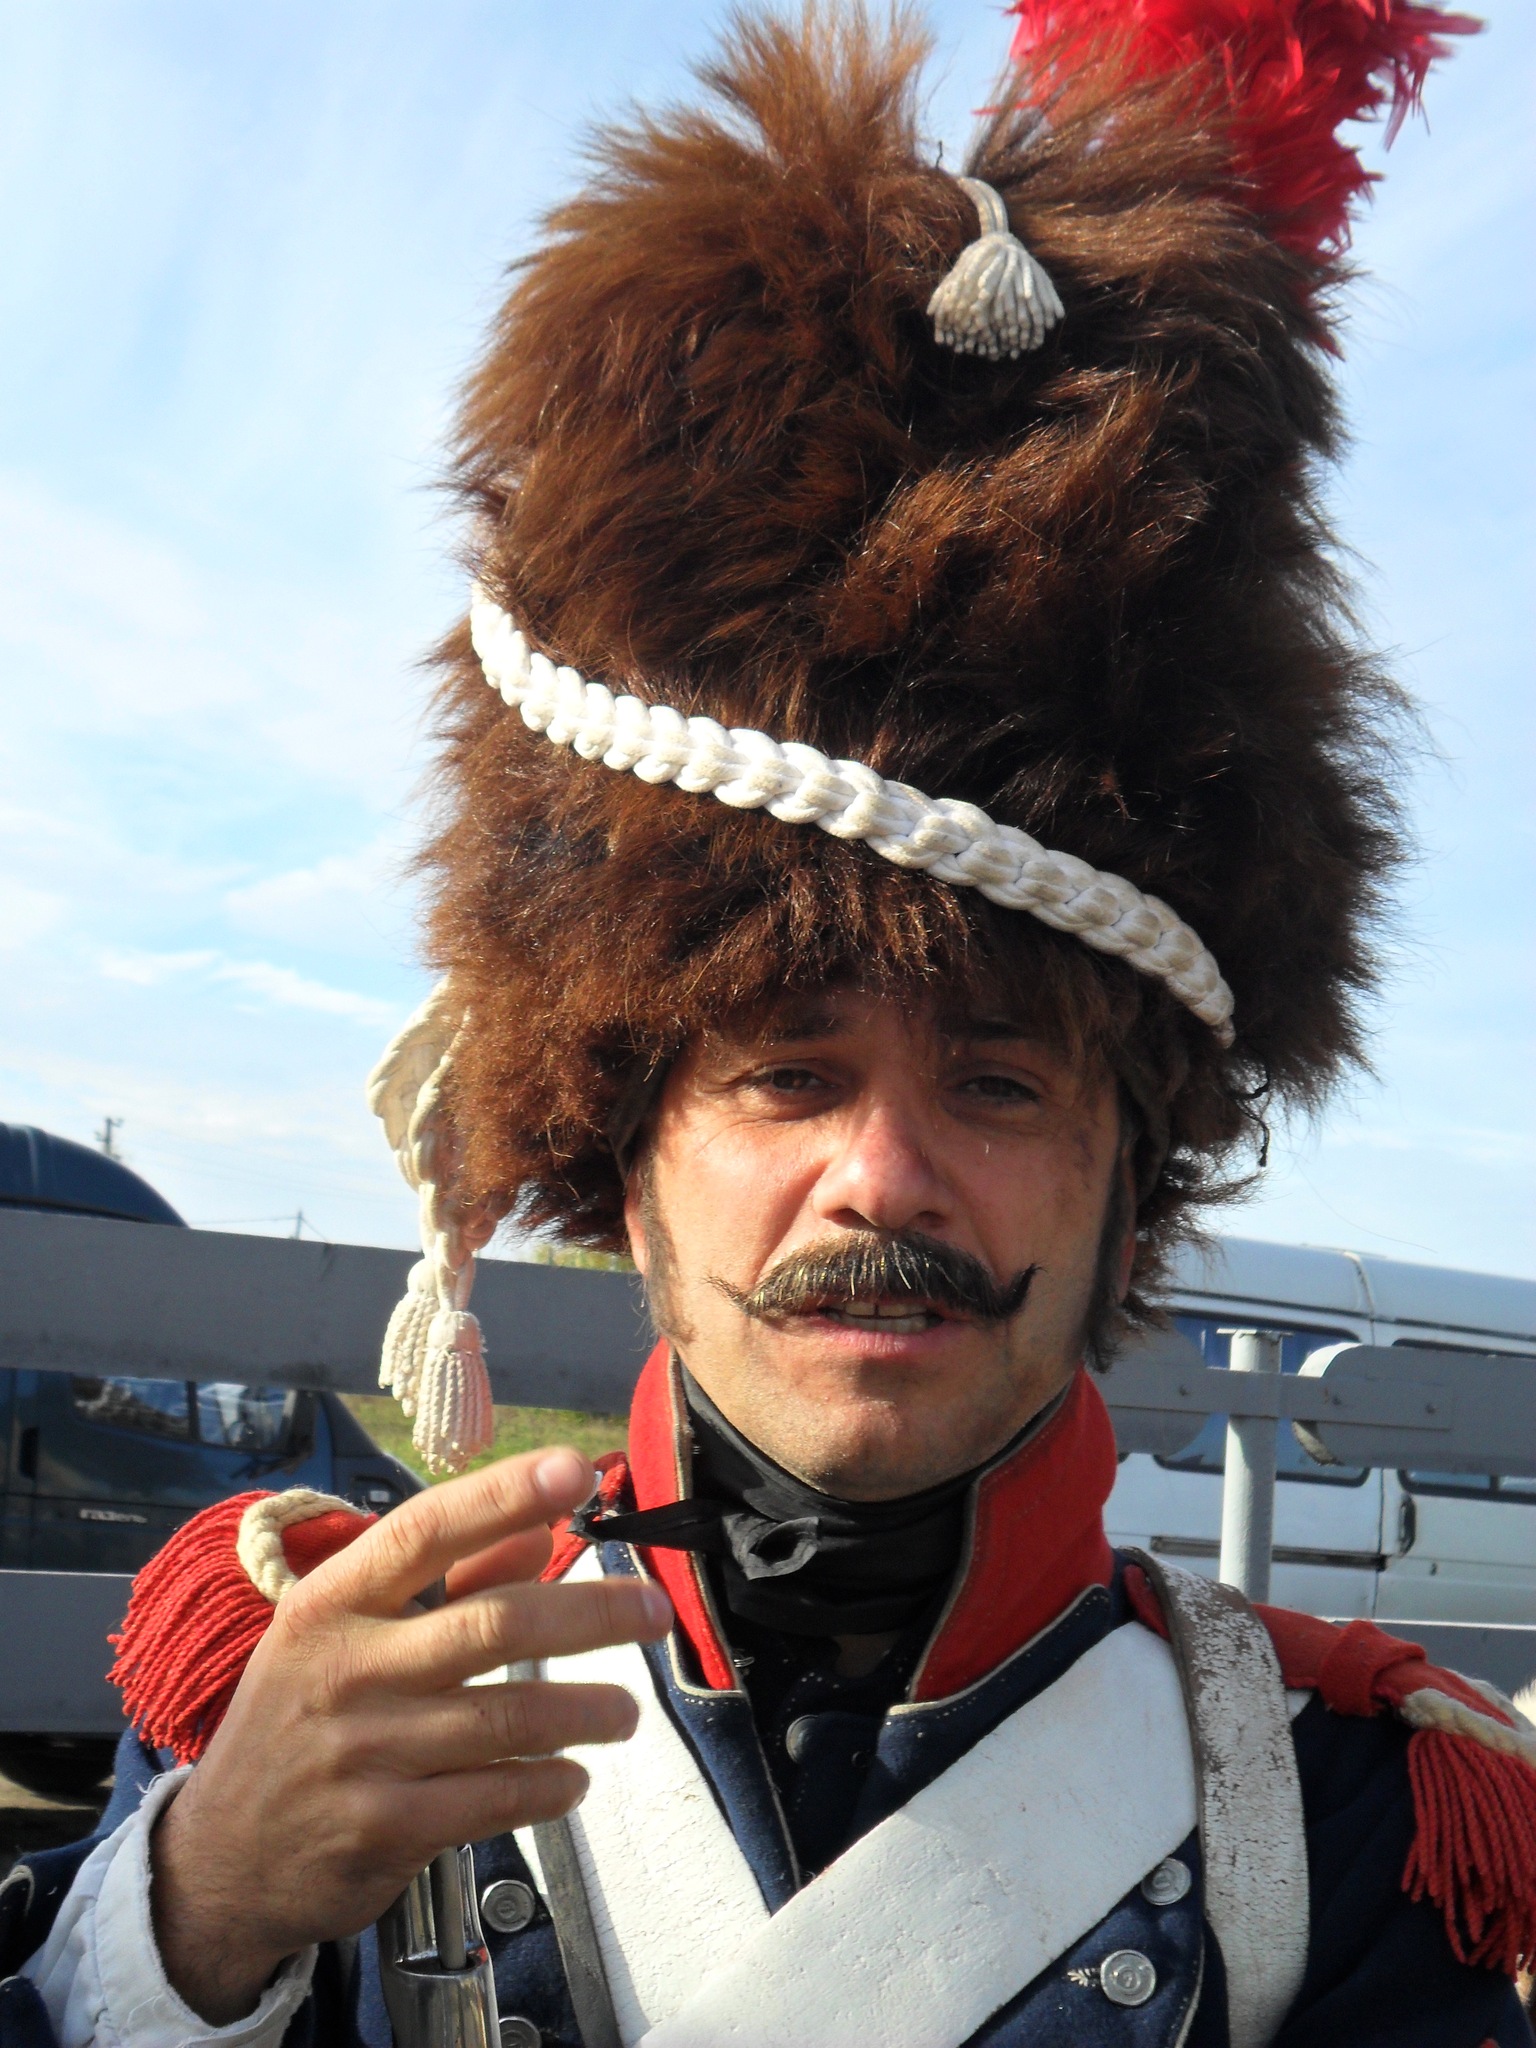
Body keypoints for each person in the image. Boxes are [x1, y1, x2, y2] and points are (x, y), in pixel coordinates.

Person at [4, 3, 1532, 2045]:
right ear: (622, 1158)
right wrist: (200, 1915)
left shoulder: (1339, 1831)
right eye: (788, 1073)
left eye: (999, 1081)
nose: (884, 1174)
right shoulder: (307, 1690)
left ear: (1127, 1189)